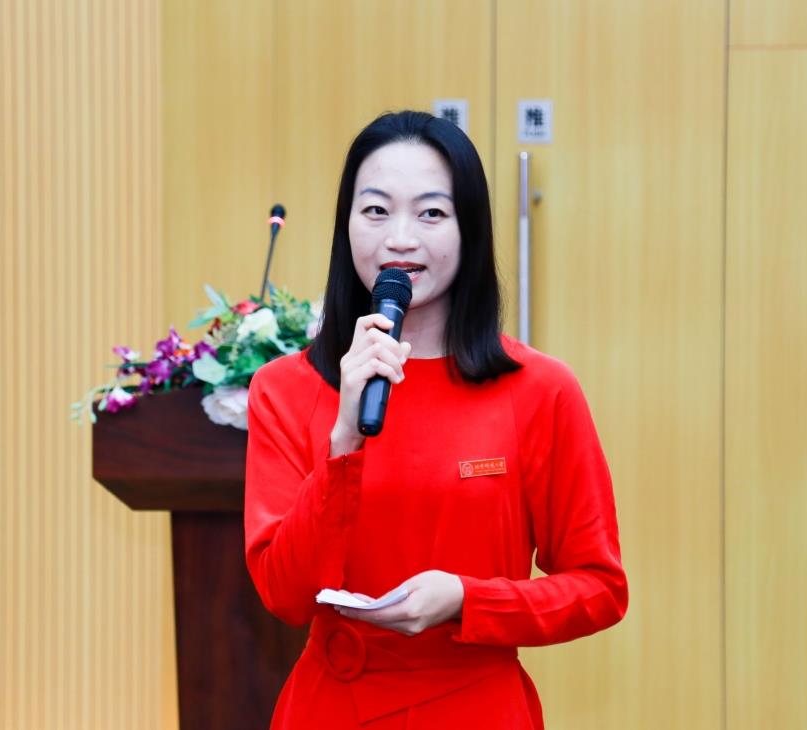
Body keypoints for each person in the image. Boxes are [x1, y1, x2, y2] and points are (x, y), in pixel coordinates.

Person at [244, 110, 627, 729]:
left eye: (430, 213)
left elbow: (600, 588)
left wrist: (469, 600)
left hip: (477, 704)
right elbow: (283, 595)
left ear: (469, 229)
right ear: (346, 226)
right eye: (375, 211)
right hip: (332, 706)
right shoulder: (284, 389)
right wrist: (344, 439)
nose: (400, 238)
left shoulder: (540, 389)